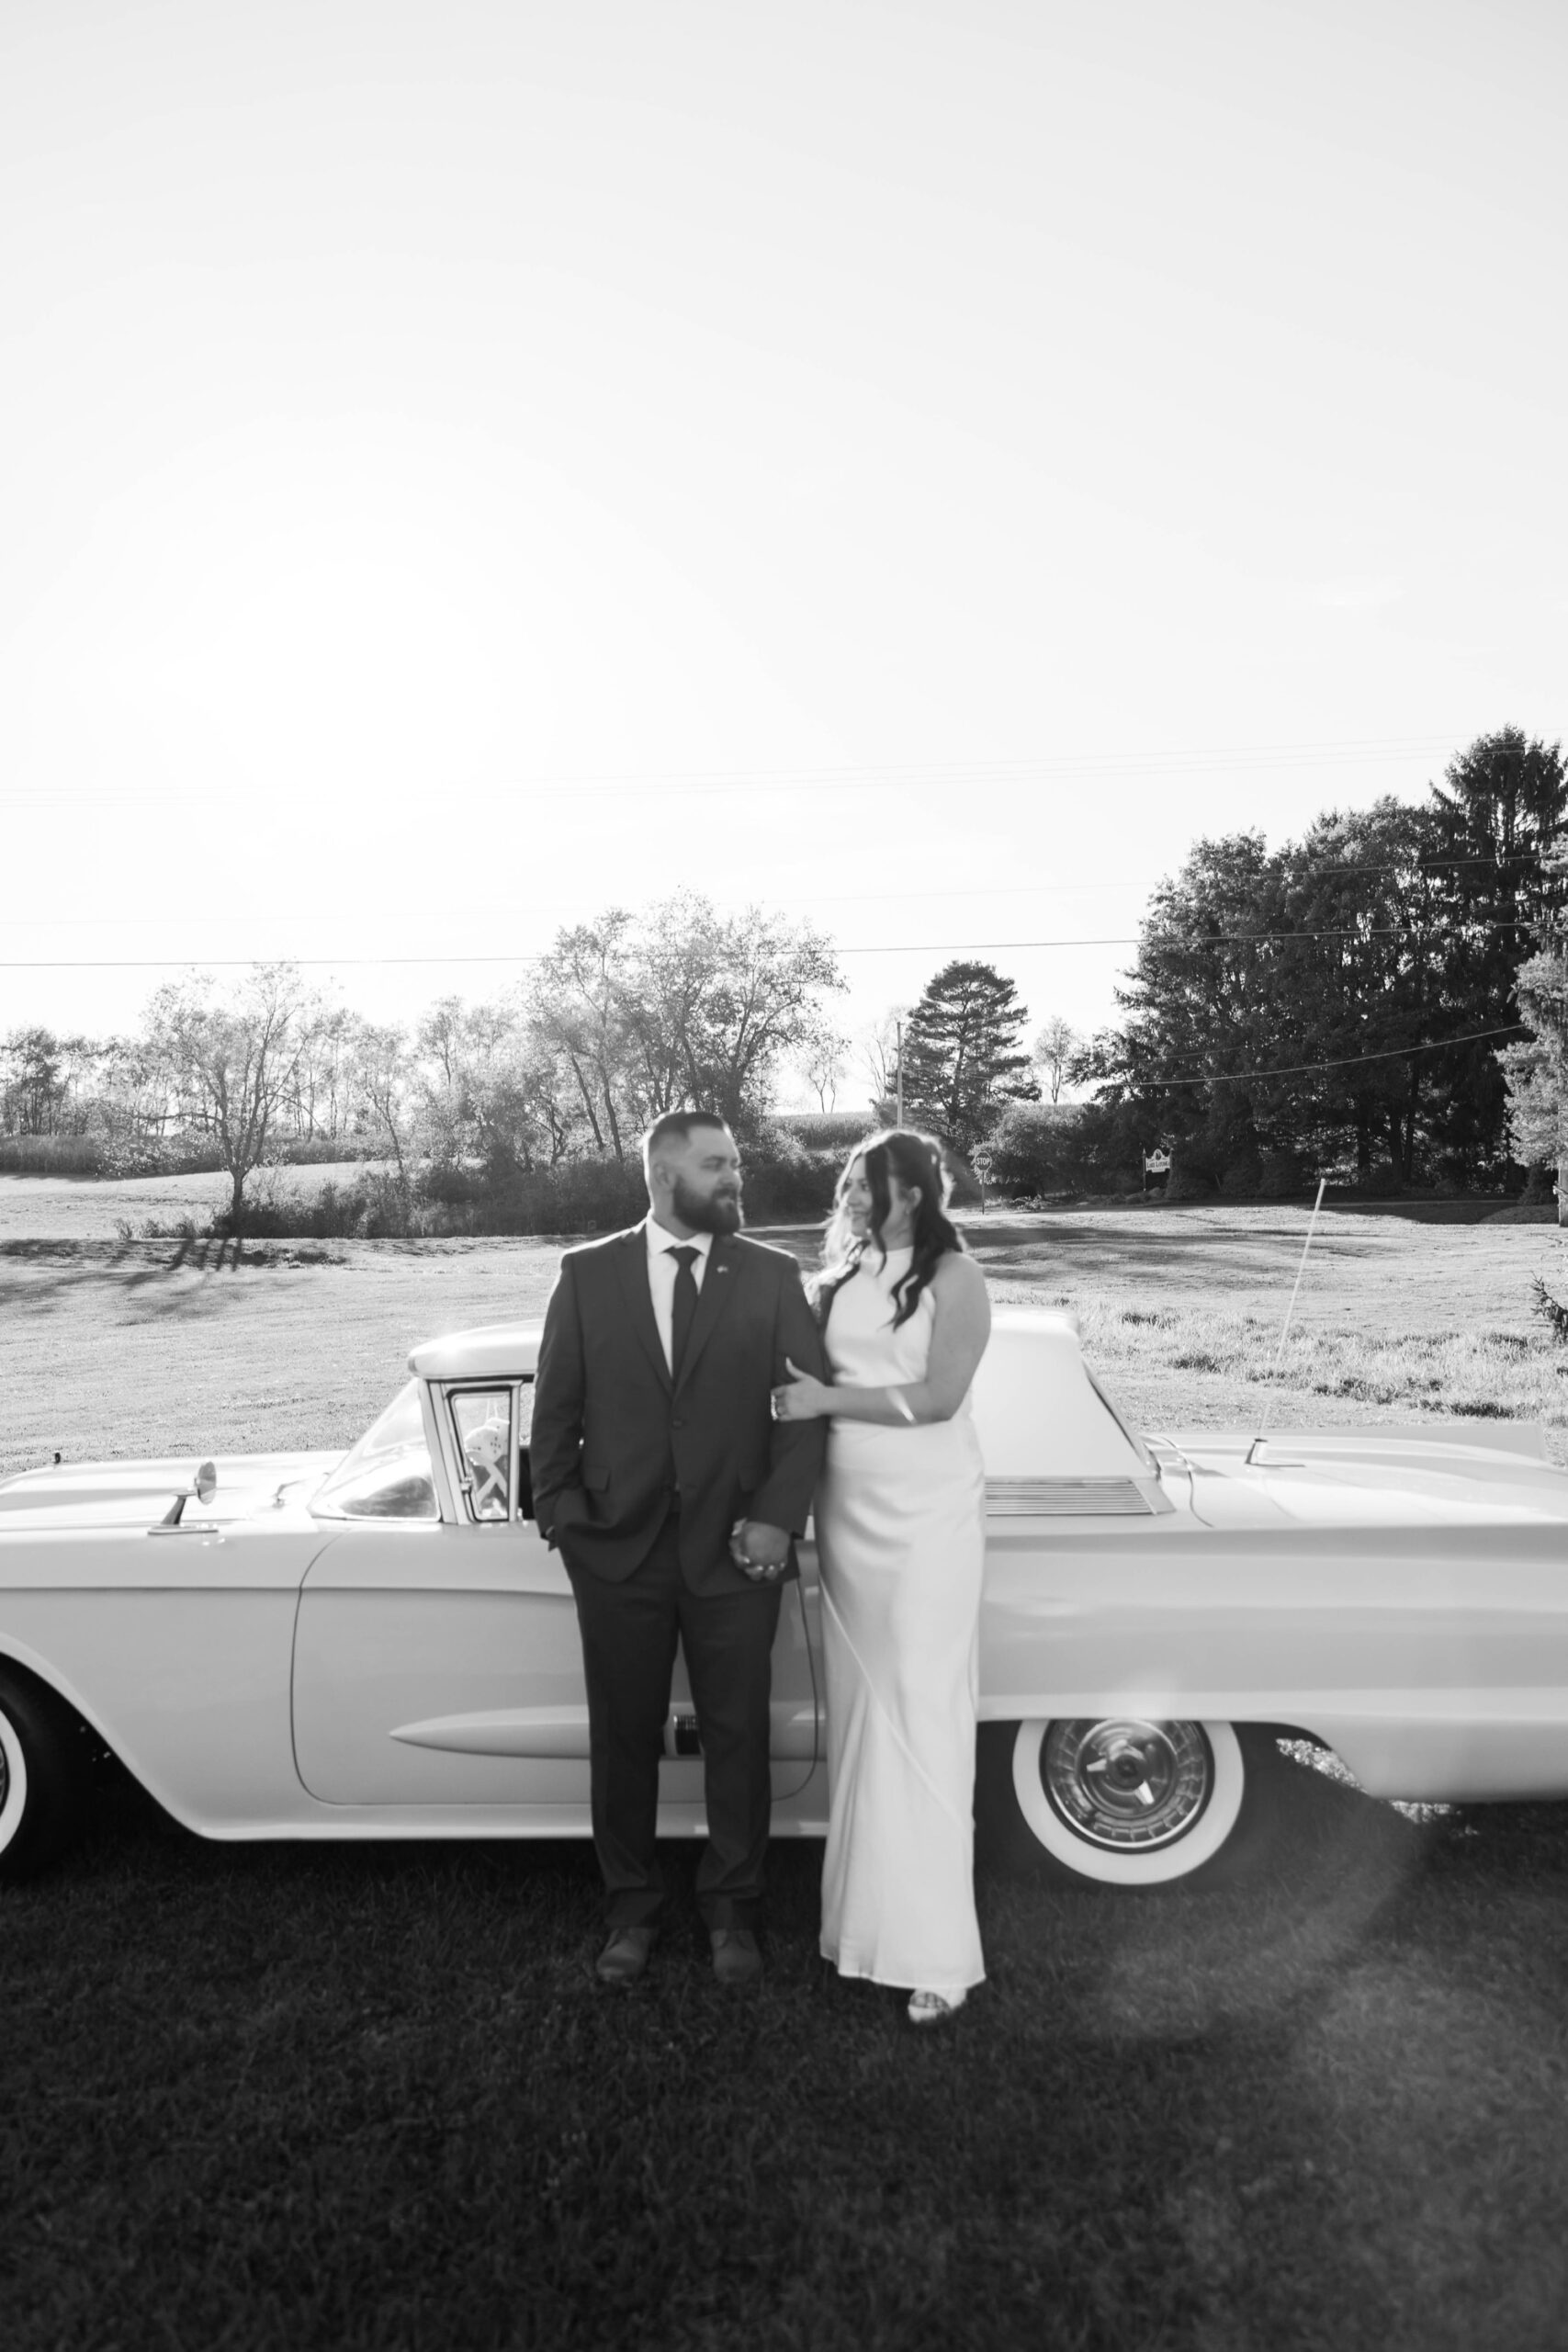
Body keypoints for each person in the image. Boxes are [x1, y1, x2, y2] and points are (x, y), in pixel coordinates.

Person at [531, 1110, 829, 1988]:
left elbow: (802, 1411)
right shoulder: (586, 1275)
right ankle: (630, 1910)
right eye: (716, 1164)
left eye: (734, 1162)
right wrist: (565, 1520)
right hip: (616, 1557)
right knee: (622, 1739)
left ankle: (732, 1910)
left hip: (738, 1554)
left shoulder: (772, 1274)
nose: (735, 1177)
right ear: (665, 1175)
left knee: (737, 1735)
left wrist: (778, 1517)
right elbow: (555, 1413)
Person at [772, 1128, 992, 2026]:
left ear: (913, 1189)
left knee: (923, 1710)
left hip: (928, 1513)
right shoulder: (843, 1274)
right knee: (866, 1715)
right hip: (849, 1511)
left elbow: (939, 1399)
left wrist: (826, 1400)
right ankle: (861, 1931)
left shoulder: (957, 1278)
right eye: (852, 1184)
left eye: (869, 1184)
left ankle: (940, 1952)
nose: (855, 1197)